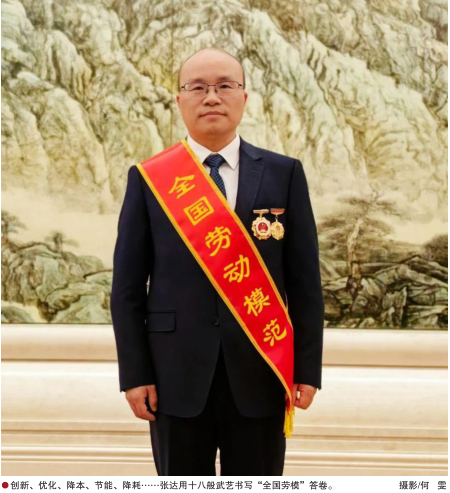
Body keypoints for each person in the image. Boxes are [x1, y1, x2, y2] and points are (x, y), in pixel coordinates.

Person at [110, 47, 324, 476]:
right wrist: (134, 374)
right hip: (173, 375)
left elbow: (305, 284)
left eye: (225, 86)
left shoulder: (283, 174)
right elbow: (127, 289)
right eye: (198, 87)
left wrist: (307, 369)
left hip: (261, 368)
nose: (211, 97)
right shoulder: (150, 178)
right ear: (179, 100)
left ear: (244, 97)